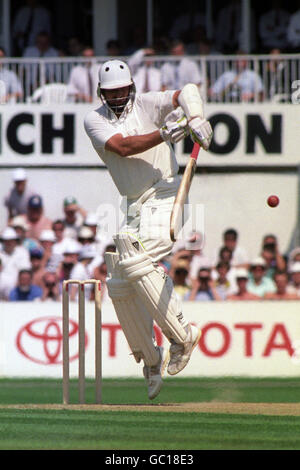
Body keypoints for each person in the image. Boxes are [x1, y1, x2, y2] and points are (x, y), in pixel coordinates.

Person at [84, 58, 212, 400]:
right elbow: (124, 148)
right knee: (119, 279)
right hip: (134, 202)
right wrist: (165, 133)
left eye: (122, 90)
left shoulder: (145, 103)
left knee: (131, 254)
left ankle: (183, 336)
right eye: (111, 92)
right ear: (101, 92)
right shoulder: (93, 119)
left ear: (131, 87)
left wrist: (196, 117)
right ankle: (151, 359)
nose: (117, 96)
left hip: (167, 191)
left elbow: (186, 91)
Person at [0, 226, 31, 299]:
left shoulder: (23, 252)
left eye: (11, 240)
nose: (9, 243)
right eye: (6, 241)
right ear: (3, 241)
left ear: (15, 241)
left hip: (17, 289)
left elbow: (25, 271)